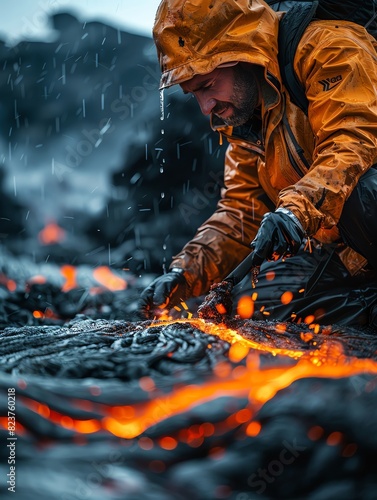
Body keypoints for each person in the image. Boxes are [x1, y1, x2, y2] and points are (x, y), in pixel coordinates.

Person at [139, 0, 377, 328]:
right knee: (246, 306)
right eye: (193, 94)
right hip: (349, 254)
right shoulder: (248, 117)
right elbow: (242, 211)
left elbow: (351, 146)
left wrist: (294, 212)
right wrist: (185, 274)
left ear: (244, 53)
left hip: (364, 212)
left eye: (207, 86)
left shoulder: (329, 48)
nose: (205, 107)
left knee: (358, 194)